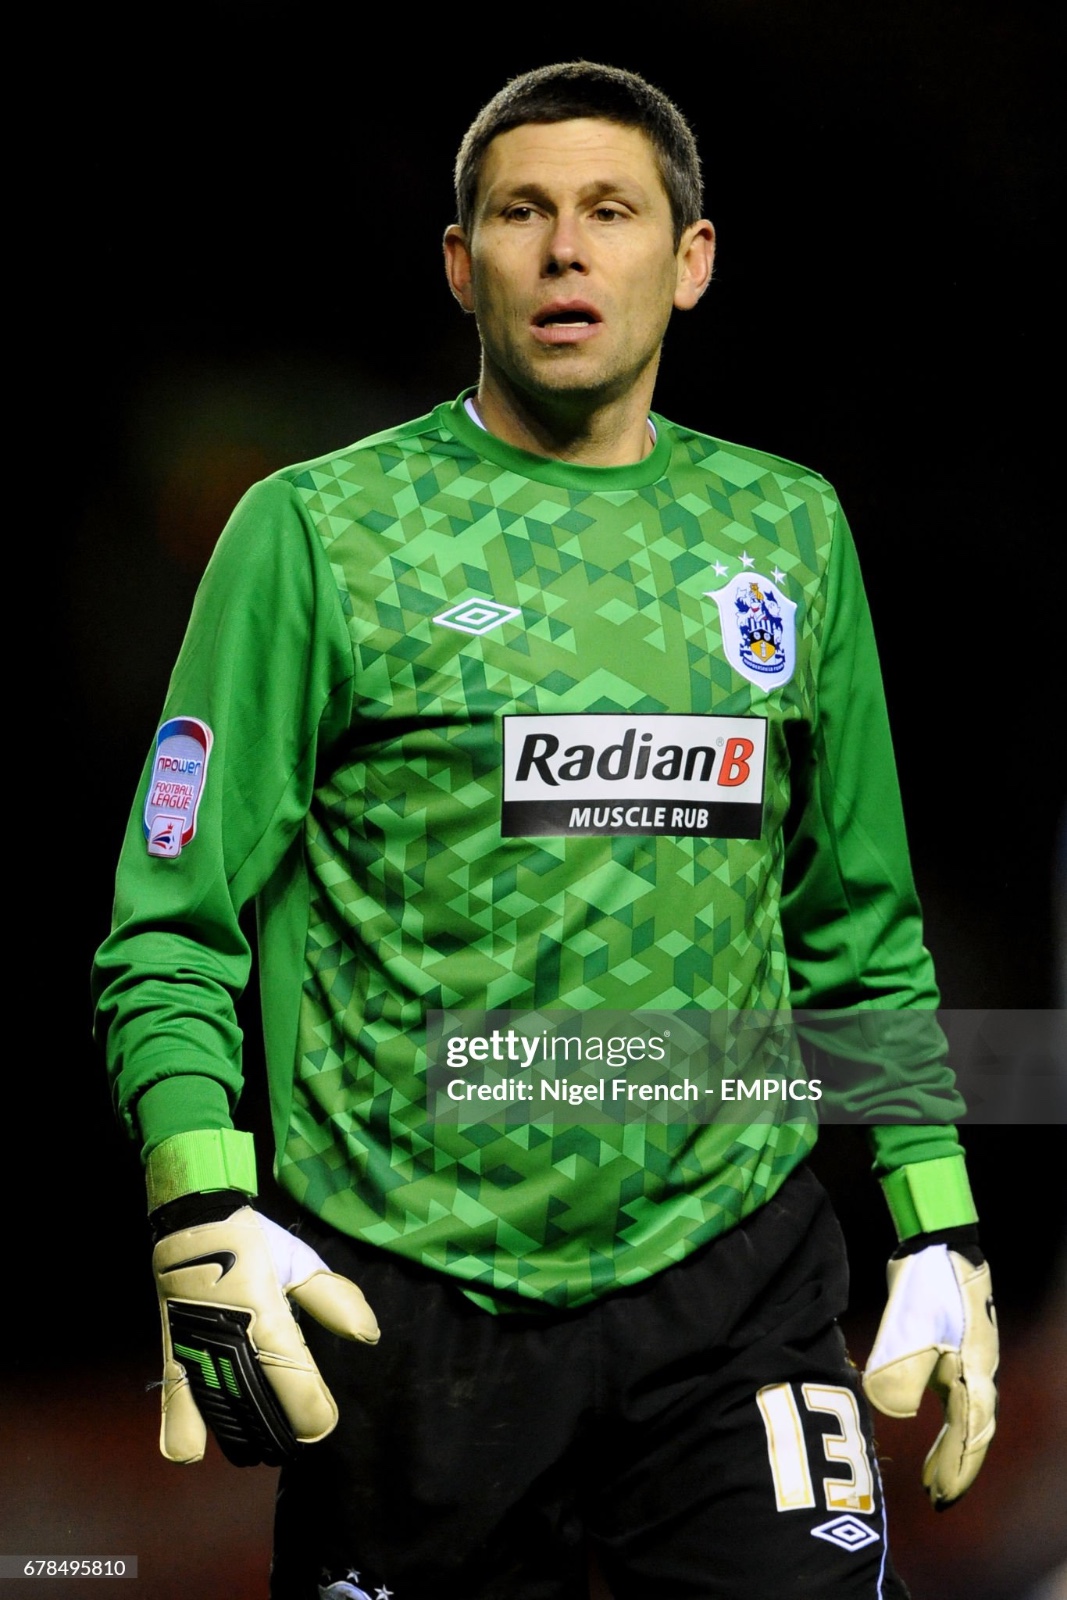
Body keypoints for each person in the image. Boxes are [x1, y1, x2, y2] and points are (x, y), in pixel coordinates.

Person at [94, 61, 998, 1600]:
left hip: (735, 1283)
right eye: (520, 213)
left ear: (689, 260)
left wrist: (939, 1223)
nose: (565, 249)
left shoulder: (791, 533)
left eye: (609, 211)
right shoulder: (313, 533)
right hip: (406, 1302)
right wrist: (202, 1197)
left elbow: (859, 923)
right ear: (463, 264)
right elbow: (171, 928)